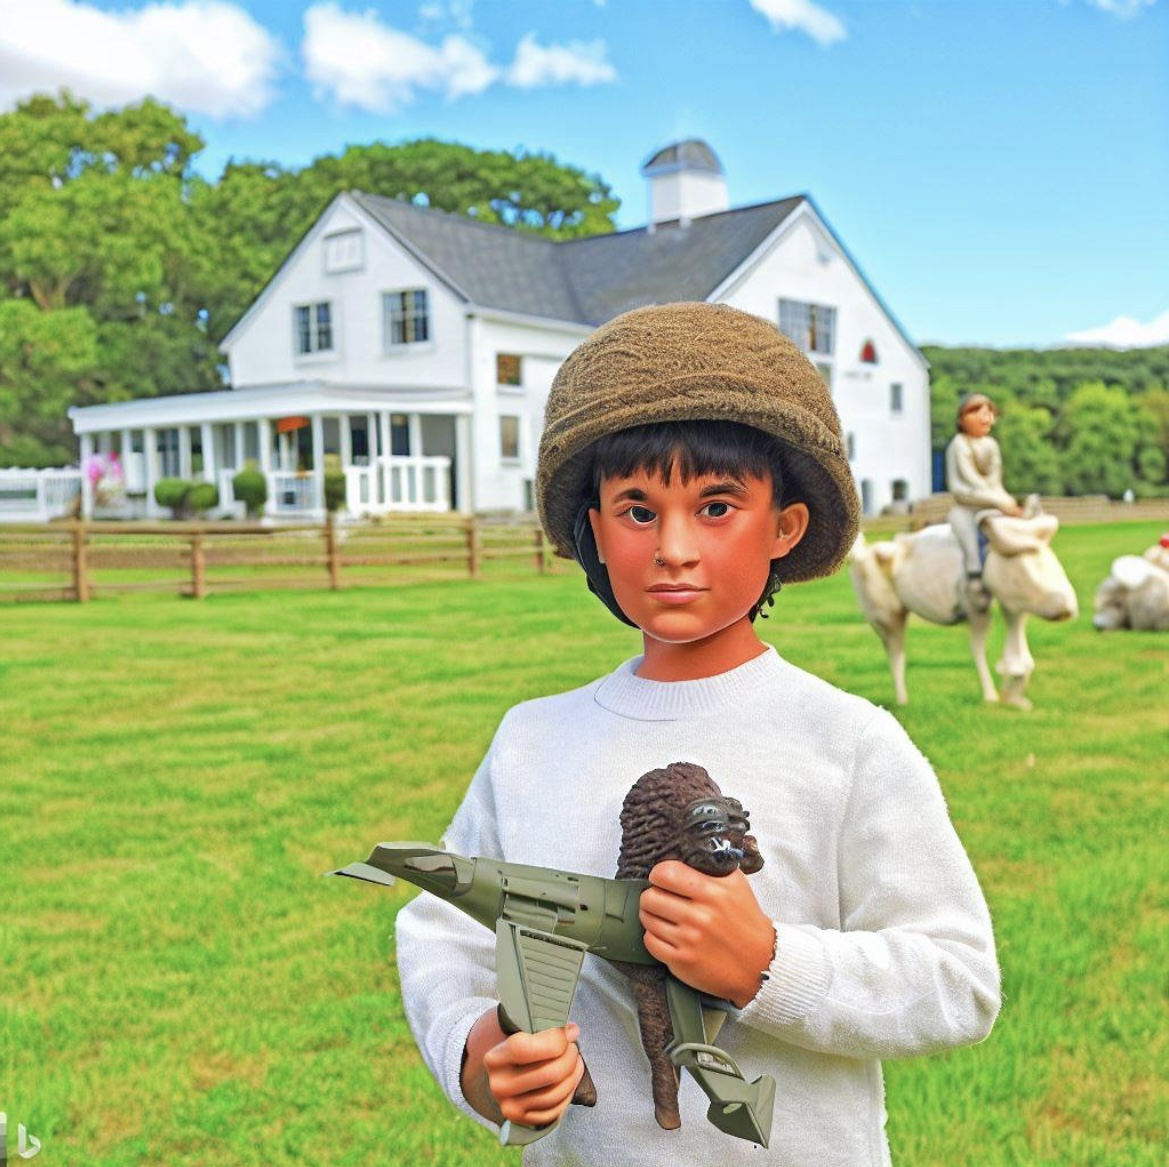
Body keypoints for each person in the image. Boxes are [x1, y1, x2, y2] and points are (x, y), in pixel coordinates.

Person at [395, 302, 1000, 1165]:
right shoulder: (529, 741)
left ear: (785, 525)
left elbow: (957, 980)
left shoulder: (849, 743)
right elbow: (444, 929)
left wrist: (767, 963)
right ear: (593, 532)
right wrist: (475, 1051)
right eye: (636, 511)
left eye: (715, 507)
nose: (673, 547)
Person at [945, 393, 1022, 612]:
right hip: (967, 506)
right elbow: (962, 487)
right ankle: (974, 574)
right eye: (979, 413)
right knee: (966, 532)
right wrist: (996, 500)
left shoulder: (991, 445)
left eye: (989, 413)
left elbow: (994, 481)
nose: (986, 418)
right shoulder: (958, 445)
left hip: (992, 504)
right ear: (962, 419)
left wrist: (1005, 500)